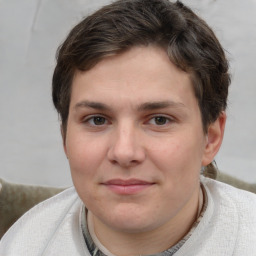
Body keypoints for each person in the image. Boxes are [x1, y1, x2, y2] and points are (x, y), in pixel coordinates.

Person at [1, 0, 256, 255]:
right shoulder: (22, 245)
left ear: (210, 138)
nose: (124, 152)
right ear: (65, 137)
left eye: (159, 120)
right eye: (97, 120)